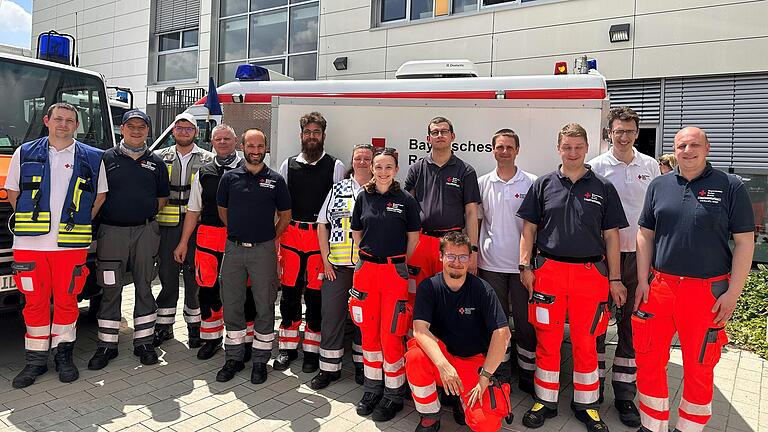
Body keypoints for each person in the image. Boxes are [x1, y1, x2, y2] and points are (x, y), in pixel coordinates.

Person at [634, 127, 754, 432]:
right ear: (675, 150)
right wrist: (642, 280)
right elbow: (645, 234)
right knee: (648, 360)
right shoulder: (659, 185)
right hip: (660, 288)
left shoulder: (731, 186)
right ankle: (651, 425)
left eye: (694, 144)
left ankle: (688, 428)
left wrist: (733, 293)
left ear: (707, 148)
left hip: (707, 293)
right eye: (681, 145)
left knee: (700, 366)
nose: (687, 150)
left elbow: (744, 241)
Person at [517, 123, 628, 432]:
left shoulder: (603, 188)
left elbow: (612, 236)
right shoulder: (543, 184)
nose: (573, 152)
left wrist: (615, 279)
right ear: (559, 148)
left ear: (586, 148)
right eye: (567, 147)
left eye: (578, 147)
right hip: (548, 273)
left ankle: (587, 404)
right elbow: (528, 230)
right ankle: (544, 400)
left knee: (587, 342)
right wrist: (525, 266)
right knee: (548, 340)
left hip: (591, 275)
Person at [6, 102, 107, 388]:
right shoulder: (24, 152)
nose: (63, 124)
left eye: (70, 120)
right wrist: (32, 222)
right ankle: (35, 361)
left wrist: (79, 222)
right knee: (34, 302)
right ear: (47, 120)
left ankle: (64, 356)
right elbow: (13, 191)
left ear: (77, 125)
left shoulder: (92, 157)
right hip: (30, 244)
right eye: (58, 119)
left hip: (70, 245)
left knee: (67, 301)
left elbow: (99, 196)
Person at [587, 106, 659, 427]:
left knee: (632, 325)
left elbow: (656, 213)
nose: (624, 136)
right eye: (619, 131)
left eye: (630, 131)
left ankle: (625, 394)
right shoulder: (596, 167)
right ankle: (594, 387)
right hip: (604, 259)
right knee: (599, 325)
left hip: (639, 258)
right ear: (609, 133)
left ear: (636, 133)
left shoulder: (651, 165)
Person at [406, 231, 512, 432]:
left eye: (463, 256)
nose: (457, 262)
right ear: (441, 257)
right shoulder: (429, 287)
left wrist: (485, 377)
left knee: (487, 425)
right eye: (451, 256)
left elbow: (502, 333)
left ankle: (459, 399)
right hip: (441, 360)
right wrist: (443, 365)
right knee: (415, 357)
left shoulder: (483, 289)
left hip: (472, 363)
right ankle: (429, 414)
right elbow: (419, 329)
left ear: (470, 258)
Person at [88, 109, 170, 369]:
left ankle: (144, 343)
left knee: (145, 286)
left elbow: (161, 198)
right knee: (110, 288)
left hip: (145, 232)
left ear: (148, 130)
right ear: (121, 129)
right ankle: (106, 345)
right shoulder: (105, 159)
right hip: (112, 232)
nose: (136, 131)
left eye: (142, 127)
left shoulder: (155, 162)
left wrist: (142, 214)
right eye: (131, 126)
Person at [173, 124, 258, 361]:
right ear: (212, 143)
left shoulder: (250, 169)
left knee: (244, 291)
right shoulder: (204, 172)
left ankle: (246, 341)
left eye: (227, 138)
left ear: (236, 142)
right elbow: (193, 210)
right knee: (208, 291)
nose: (222, 142)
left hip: (240, 240)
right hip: (209, 239)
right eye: (218, 139)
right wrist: (183, 243)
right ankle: (211, 339)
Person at [215, 128, 291, 384]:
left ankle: (260, 360)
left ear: (265, 148)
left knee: (264, 304)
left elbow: (286, 215)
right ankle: (234, 358)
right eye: (251, 146)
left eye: (260, 147)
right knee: (233, 304)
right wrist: (238, 231)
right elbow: (222, 210)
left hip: (264, 251)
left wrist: (270, 236)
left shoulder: (276, 180)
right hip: (234, 249)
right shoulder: (230, 178)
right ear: (243, 147)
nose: (255, 151)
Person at [350, 147, 420, 422]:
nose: (382, 172)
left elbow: (413, 238)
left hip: (394, 273)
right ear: (372, 169)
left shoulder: (406, 200)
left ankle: (393, 394)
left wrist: (397, 261)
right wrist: (370, 257)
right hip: (366, 270)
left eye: (387, 167)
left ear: (396, 170)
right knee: (368, 333)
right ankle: (372, 389)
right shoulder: (363, 197)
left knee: (392, 333)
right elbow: (357, 232)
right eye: (378, 167)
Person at [276, 112, 345, 372]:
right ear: (301, 135)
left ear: (323, 136)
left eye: (317, 132)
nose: (312, 137)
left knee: (316, 296)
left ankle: (312, 350)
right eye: (308, 132)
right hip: (292, 235)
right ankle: (287, 347)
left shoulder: (334, 166)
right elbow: (281, 207)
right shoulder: (288, 165)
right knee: (290, 293)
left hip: (319, 238)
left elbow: (338, 210)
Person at [476, 128, 537, 392]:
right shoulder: (482, 183)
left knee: (524, 322)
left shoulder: (531, 182)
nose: (504, 152)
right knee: (497, 323)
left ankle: (527, 373)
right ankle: (500, 370)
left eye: (509, 147)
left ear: (517, 150)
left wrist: (529, 263)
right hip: (490, 265)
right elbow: (476, 221)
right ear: (493, 150)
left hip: (520, 267)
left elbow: (534, 227)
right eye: (499, 147)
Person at [309, 144, 372, 390]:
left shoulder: (379, 190)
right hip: (337, 267)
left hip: (366, 270)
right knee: (332, 317)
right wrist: (325, 259)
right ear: (352, 161)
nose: (363, 162)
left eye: (368, 158)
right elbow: (322, 223)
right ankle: (329, 369)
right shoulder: (338, 188)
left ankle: (361, 366)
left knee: (363, 320)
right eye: (358, 158)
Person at [405, 117, 482, 305]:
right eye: (435, 132)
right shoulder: (417, 168)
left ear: (452, 136)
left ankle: (445, 334)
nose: (440, 135)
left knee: (449, 293)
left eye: (444, 131)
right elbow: (406, 209)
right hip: (421, 242)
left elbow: (472, 213)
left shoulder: (465, 171)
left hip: (452, 243)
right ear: (428, 138)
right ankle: (415, 334)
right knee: (415, 294)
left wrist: (473, 251)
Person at [153, 113, 213, 348]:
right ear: (173, 131)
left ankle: (194, 328)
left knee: (194, 278)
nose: (184, 132)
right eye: (180, 128)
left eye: (189, 129)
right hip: (167, 227)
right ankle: (164, 327)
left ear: (196, 132)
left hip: (196, 227)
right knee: (167, 277)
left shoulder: (208, 159)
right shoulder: (159, 158)